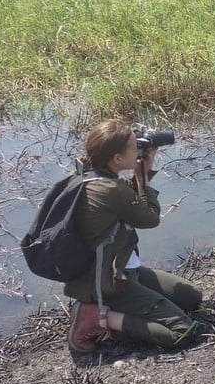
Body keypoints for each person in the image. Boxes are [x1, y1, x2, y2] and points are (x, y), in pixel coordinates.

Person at [65, 119, 201, 353]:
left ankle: (107, 307)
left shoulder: (89, 176)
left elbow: (122, 201)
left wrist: (142, 172)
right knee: (182, 332)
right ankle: (98, 317)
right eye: (134, 147)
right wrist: (143, 177)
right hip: (110, 283)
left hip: (122, 269)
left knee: (191, 297)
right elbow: (150, 218)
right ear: (117, 159)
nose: (139, 150)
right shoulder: (110, 189)